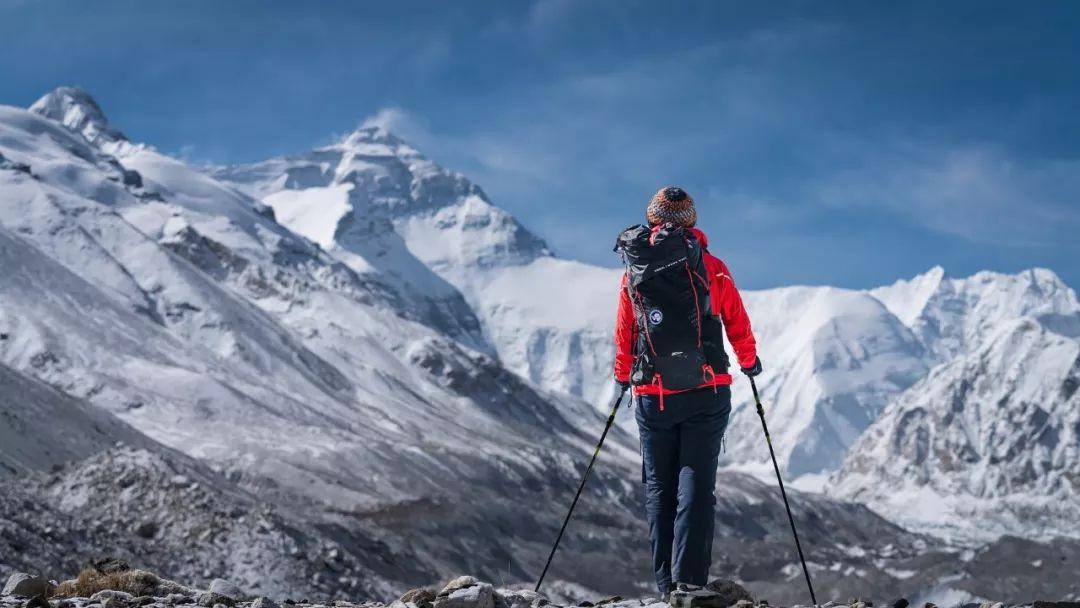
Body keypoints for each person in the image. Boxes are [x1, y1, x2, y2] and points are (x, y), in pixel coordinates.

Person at [613, 186, 760, 597]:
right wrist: (749, 361)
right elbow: (736, 321)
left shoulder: (634, 271)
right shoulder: (712, 267)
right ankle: (689, 583)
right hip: (706, 390)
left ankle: (664, 587)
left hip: (652, 395)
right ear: (691, 222)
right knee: (696, 485)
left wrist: (624, 376)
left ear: (653, 219)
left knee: (660, 489)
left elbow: (626, 330)